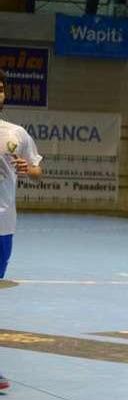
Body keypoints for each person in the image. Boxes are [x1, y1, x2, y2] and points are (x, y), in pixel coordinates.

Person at [1, 69, 43, 281]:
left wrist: (28, 169)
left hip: (4, 222)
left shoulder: (16, 133)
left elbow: (37, 171)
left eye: (0, 90)